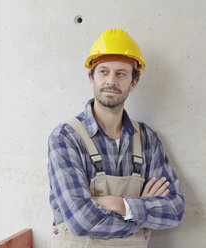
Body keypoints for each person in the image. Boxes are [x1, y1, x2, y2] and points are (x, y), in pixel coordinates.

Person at [47, 28, 185, 248]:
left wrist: (117, 204)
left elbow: (174, 209)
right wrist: (139, 215)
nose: (111, 80)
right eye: (103, 72)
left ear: (133, 83)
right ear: (91, 78)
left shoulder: (148, 140)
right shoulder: (66, 137)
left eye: (121, 73)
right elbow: (80, 220)